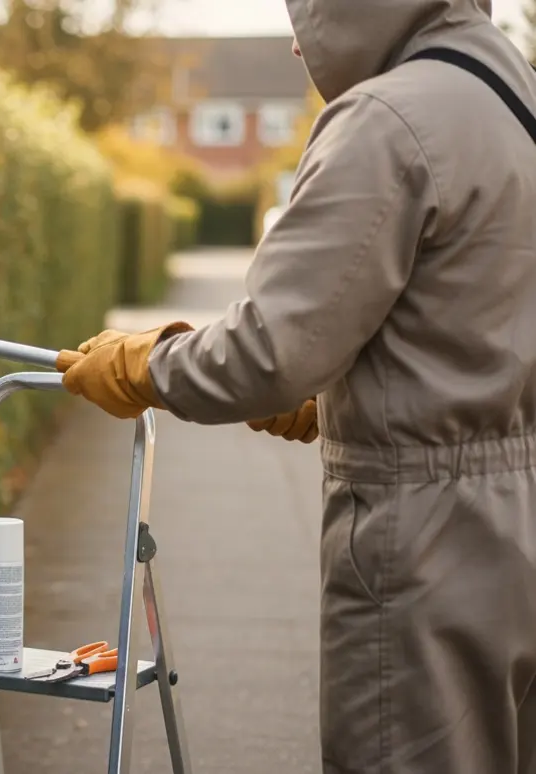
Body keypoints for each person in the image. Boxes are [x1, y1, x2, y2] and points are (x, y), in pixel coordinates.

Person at [61, 0, 536, 772]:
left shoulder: (387, 120)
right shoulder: (515, 97)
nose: (294, 42)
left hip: (427, 544)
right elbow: (474, 311)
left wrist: (145, 363)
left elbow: (266, 353)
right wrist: (340, 399)